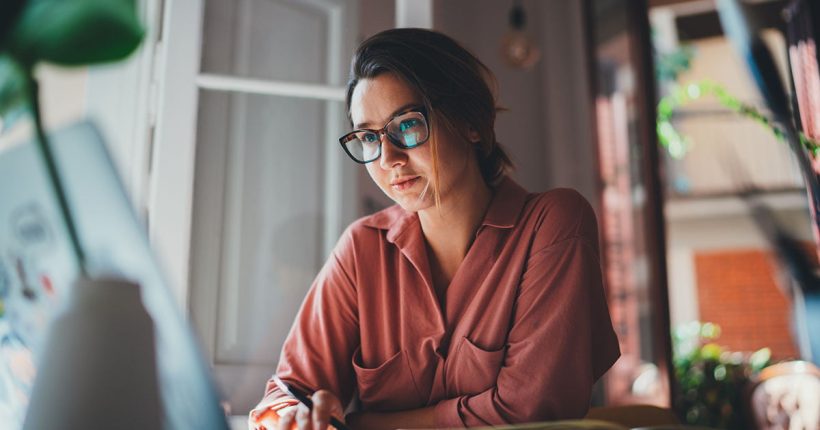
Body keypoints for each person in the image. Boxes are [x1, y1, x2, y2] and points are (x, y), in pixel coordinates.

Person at [249, 28, 620, 430]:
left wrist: (361, 425)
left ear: (470, 122)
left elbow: (529, 411)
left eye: (406, 125)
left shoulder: (553, 223)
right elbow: (288, 391)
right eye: (368, 137)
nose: (388, 157)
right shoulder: (361, 250)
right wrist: (293, 418)